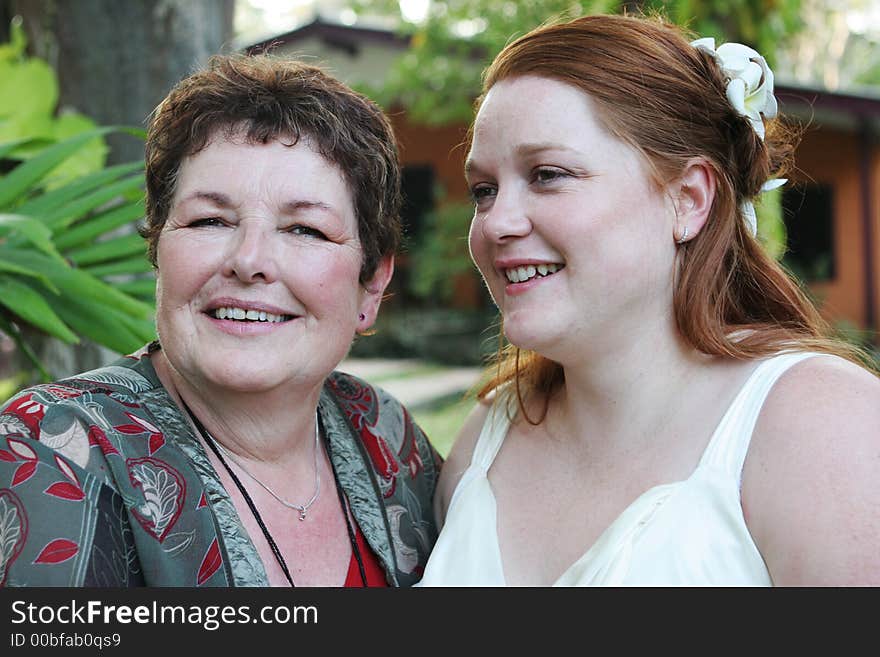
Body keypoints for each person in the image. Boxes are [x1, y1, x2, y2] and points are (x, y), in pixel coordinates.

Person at [417, 13, 880, 586]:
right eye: (483, 191)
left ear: (688, 200)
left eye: (548, 174)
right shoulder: (484, 438)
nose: (496, 224)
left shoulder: (820, 427)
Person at [0, 54, 440, 587]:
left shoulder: (386, 435)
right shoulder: (52, 447)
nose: (249, 260)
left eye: (304, 229)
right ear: (159, 250)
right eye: (210, 219)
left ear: (372, 284)